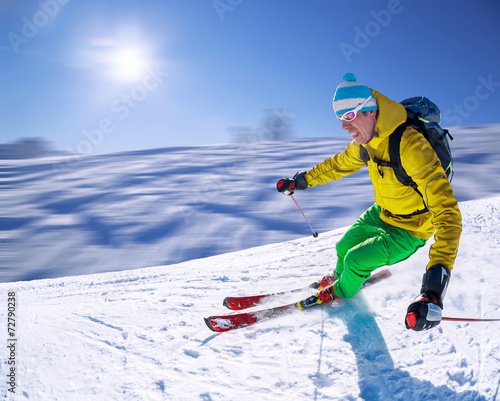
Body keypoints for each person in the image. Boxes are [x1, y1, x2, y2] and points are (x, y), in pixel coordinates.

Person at [277, 73, 462, 331]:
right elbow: (337, 165)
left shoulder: (411, 145)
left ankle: (342, 290)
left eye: (349, 116)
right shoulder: (366, 141)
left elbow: (448, 214)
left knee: (355, 259)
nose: (344, 126)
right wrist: (300, 181)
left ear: (371, 111)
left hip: (410, 228)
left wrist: (433, 289)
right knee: (343, 248)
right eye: (341, 119)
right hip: (382, 213)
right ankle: (342, 278)